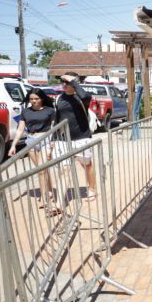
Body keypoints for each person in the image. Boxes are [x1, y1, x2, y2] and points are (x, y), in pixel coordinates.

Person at [53, 72, 96, 206]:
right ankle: (60, 202)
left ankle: (92, 188)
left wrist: (74, 82)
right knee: (64, 169)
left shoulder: (82, 97)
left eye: (67, 82)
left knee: (86, 165)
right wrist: (53, 139)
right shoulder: (59, 98)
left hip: (81, 136)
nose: (64, 85)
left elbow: (84, 95)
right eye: (63, 82)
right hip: (63, 139)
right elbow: (57, 119)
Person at [9, 88, 57, 207]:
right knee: (42, 169)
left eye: (36, 99)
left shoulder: (50, 111)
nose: (33, 101)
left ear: (42, 99)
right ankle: (50, 190)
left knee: (41, 170)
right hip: (30, 140)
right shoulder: (25, 111)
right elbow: (20, 129)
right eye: (31, 99)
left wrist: (52, 142)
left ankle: (44, 197)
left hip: (45, 139)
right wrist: (13, 145)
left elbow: (53, 128)